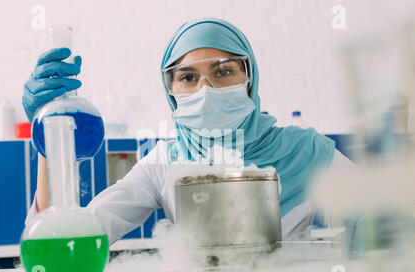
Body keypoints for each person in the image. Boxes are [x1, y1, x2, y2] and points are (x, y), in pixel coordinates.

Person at [23, 17, 355, 245]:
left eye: (223, 71)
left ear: (249, 77)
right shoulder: (164, 162)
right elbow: (67, 236)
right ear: (170, 90)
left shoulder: (305, 150)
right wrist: (48, 135)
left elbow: (388, 216)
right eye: (187, 77)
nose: (206, 89)